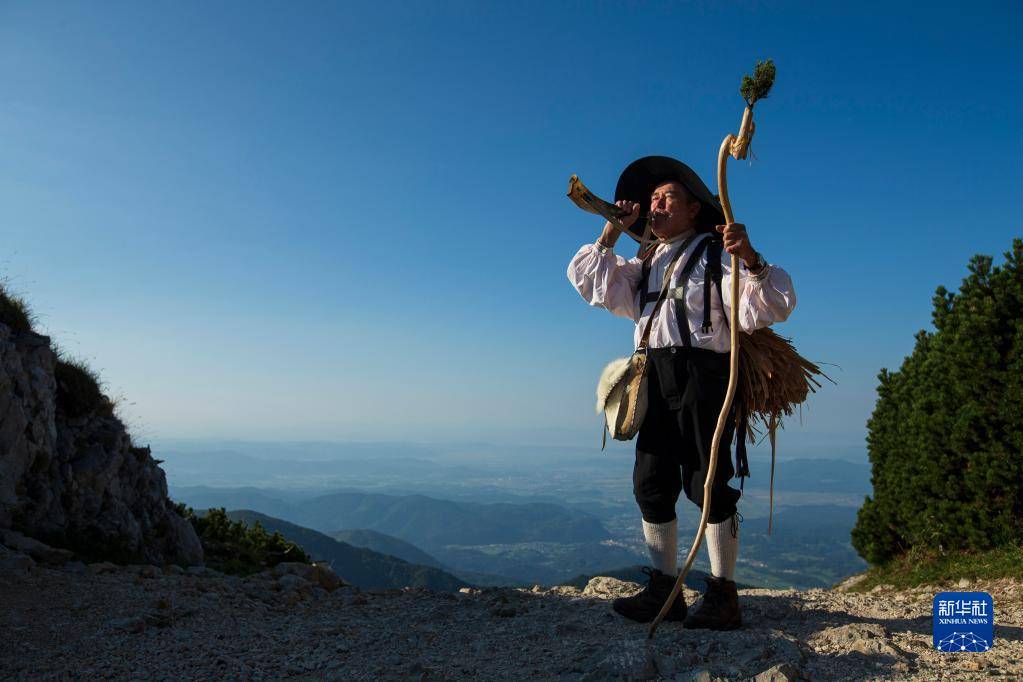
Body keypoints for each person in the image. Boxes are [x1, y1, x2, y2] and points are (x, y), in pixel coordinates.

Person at [566, 156, 797, 629]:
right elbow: (591, 284)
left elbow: (772, 305)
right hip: (652, 377)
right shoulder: (644, 263)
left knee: (706, 483)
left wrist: (751, 258)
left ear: (694, 209)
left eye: (666, 197)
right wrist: (613, 228)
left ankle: (722, 595)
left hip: (703, 377)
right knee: (650, 483)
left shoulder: (717, 256)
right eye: (652, 199)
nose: (655, 204)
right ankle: (664, 592)